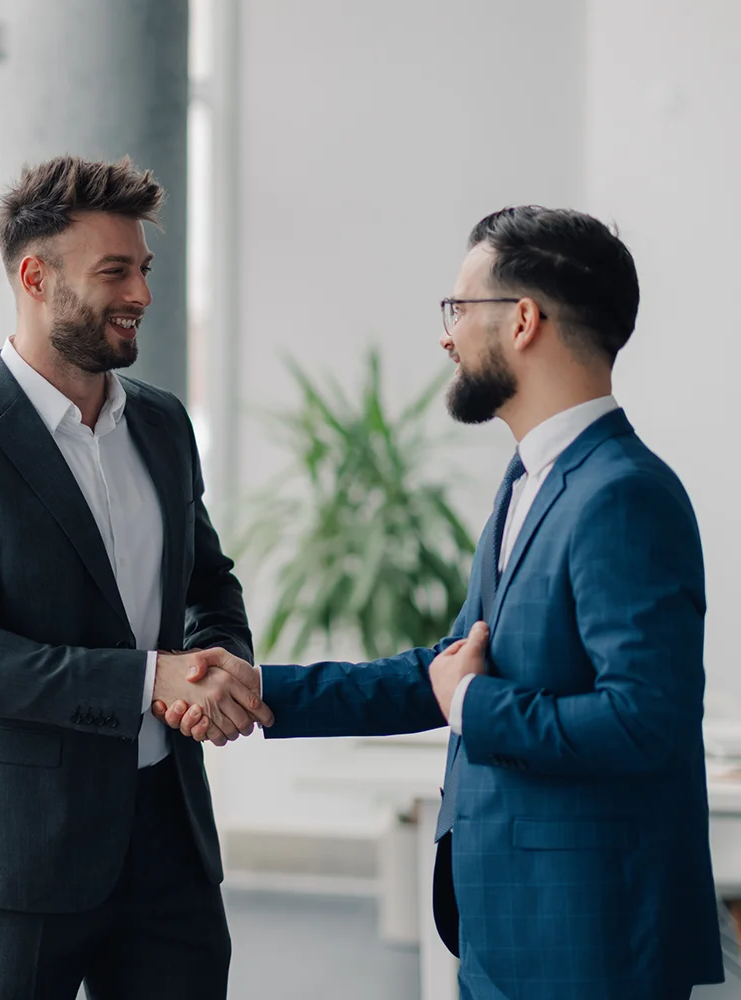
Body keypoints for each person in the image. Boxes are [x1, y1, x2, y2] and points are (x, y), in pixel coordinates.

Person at [157, 206, 725, 1000]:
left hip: (587, 940)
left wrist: (474, 703)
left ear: (524, 320)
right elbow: (444, 671)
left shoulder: (623, 496)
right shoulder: (530, 482)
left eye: (459, 308)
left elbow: (641, 721)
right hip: (506, 927)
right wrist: (255, 688)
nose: (445, 336)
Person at [0, 154, 273, 1000]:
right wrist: (144, 680)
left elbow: (208, 579)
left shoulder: (162, 423)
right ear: (35, 276)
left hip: (171, 836)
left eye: (146, 270)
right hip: (21, 857)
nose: (142, 296)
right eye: (115, 272)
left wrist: (216, 663)